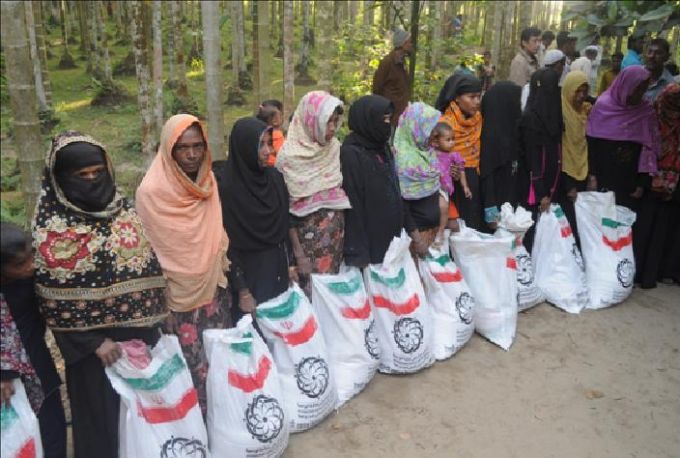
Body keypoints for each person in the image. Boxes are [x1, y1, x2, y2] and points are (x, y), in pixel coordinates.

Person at [33, 131, 167, 457]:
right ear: (61, 179)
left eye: (98, 173)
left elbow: (146, 268)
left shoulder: (124, 211)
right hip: (93, 352)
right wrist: (93, 344)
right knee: (100, 424)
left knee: (140, 421)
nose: (93, 182)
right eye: (82, 176)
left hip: (136, 342)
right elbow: (49, 300)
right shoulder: (51, 226)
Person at [136, 114, 231, 415]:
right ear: (168, 149)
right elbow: (150, 254)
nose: (192, 155)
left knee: (220, 360)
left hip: (213, 290)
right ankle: (197, 430)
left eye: (198, 146)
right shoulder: (151, 193)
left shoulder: (207, 181)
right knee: (190, 369)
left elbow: (214, 232)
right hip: (177, 300)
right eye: (183, 147)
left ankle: (227, 421)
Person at [218, 117, 296, 319]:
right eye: (260, 144)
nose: (268, 151)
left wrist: (291, 264)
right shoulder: (228, 189)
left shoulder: (275, 179)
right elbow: (228, 245)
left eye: (269, 143)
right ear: (244, 147)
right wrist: (242, 290)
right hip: (248, 272)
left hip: (277, 266)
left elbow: (285, 223)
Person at [275, 91, 351, 298]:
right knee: (310, 298)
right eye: (328, 122)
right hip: (306, 247)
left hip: (335, 243)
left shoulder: (334, 149)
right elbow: (285, 211)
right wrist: (299, 255)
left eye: (336, 122)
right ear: (311, 121)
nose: (333, 129)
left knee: (331, 299)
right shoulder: (289, 157)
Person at [1, 223, 66, 458]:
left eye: (31, 258)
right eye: (20, 264)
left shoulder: (34, 279)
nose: (31, 266)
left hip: (38, 364)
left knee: (52, 428)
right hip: (7, 382)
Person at [341, 95, 407, 267]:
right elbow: (354, 204)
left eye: (389, 119)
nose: (388, 125)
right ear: (368, 119)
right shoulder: (351, 153)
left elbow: (395, 189)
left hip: (392, 240)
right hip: (369, 245)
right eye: (384, 120)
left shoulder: (382, 148)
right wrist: (359, 255)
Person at [586, 66, 658, 212]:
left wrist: (641, 182)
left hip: (629, 181)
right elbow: (591, 143)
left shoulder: (645, 111)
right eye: (636, 89)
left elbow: (648, 149)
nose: (639, 94)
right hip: (603, 176)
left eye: (643, 89)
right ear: (625, 85)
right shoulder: (603, 106)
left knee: (624, 226)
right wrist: (592, 176)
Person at [634, 83, 680, 288]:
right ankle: (650, 275)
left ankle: (638, 273)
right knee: (658, 231)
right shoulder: (661, 120)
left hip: (649, 181)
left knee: (645, 229)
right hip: (669, 184)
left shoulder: (652, 118)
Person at [394, 102, 448, 255]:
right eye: (430, 129)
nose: (434, 134)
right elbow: (403, 205)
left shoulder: (427, 152)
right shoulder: (404, 161)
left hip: (434, 233)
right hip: (416, 238)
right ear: (417, 128)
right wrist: (417, 239)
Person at [519, 68, 563, 251]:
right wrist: (541, 192)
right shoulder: (530, 118)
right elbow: (532, 158)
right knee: (532, 231)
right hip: (536, 187)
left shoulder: (555, 114)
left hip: (552, 182)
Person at [436, 74, 485, 230]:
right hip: (453, 185)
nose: (477, 102)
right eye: (471, 97)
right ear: (457, 98)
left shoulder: (479, 119)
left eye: (479, 96)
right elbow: (433, 157)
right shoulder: (443, 124)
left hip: (475, 179)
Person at [479, 81, 523, 229]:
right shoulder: (489, 138)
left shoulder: (514, 131)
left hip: (511, 210)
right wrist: (491, 211)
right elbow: (487, 174)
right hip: (494, 215)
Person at [560, 71, 592, 244]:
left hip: (583, 170)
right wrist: (568, 185)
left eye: (584, 92)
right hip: (565, 176)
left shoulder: (585, 112)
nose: (581, 96)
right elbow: (562, 150)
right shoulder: (561, 113)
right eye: (577, 91)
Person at [429, 122, 468, 236]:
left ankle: (441, 232)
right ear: (436, 142)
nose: (452, 142)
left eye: (453, 139)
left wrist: (465, 186)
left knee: (444, 207)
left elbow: (461, 170)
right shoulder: (429, 153)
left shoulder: (453, 155)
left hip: (443, 189)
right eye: (448, 140)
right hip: (430, 189)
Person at [372, 28, 412, 125]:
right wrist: (383, 109)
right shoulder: (387, 62)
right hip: (389, 113)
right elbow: (377, 88)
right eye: (409, 42)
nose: (411, 45)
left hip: (401, 114)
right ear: (403, 44)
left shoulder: (403, 62)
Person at [256, 99, 285, 166]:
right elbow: (282, 157)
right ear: (275, 120)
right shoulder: (278, 135)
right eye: (281, 115)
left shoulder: (258, 133)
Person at [644, 38, 673, 103]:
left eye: (658, 53)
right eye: (649, 52)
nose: (652, 56)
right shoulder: (634, 76)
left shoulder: (670, 86)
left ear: (667, 57)